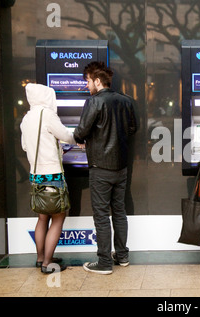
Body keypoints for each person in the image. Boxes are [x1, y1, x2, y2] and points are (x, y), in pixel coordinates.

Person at [74, 61, 137, 275]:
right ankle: (122, 256)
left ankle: (104, 262)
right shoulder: (126, 101)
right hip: (121, 167)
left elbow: (80, 132)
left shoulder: (94, 102)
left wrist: (87, 139)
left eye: (88, 81)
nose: (86, 86)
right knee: (119, 212)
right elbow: (132, 128)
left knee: (101, 215)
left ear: (97, 81)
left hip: (100, 167)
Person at [20, 83, 76, 274]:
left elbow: (25, 147)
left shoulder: (26, 118)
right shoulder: (47, 115)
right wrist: (74, 138)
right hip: (52, 173)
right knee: (58, 217)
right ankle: (48, 264)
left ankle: (40, 258)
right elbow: (67, 136)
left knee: (42, 217)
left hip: (35, 174)